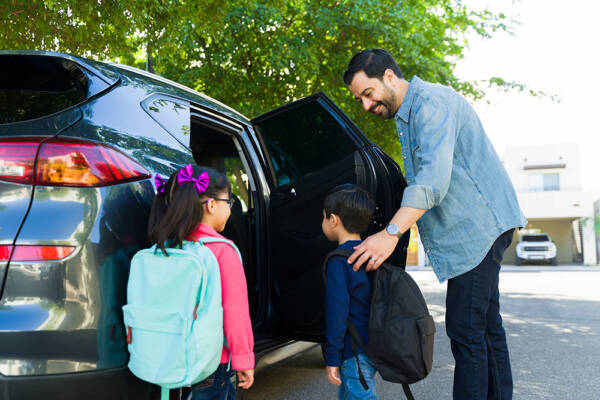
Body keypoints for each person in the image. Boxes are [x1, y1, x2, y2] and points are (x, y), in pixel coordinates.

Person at [342, 49, 527, 400]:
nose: (366, 105)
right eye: (360, 99)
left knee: (466, 329)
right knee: (486, 328)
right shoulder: (409, 114)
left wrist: (390, 233)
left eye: (368, 94)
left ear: (389, 76)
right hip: (481, 226)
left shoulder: (429, 105)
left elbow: (431, 183)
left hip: (479, 227)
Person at [148, 164, 255, 400]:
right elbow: (234, 311)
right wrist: (243, 357)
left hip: (168, 357)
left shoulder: (164, 248)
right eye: (229, 203)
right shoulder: (222, 251)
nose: (230, 210)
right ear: (212, 205)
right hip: (211, 362)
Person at [322, 184, 378, 400]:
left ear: (333, 220)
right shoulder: (371, 254)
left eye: (324, 217)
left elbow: (337, 312)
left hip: (353, 352)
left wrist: (332, 358)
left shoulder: (339, 262)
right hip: (372, 344)